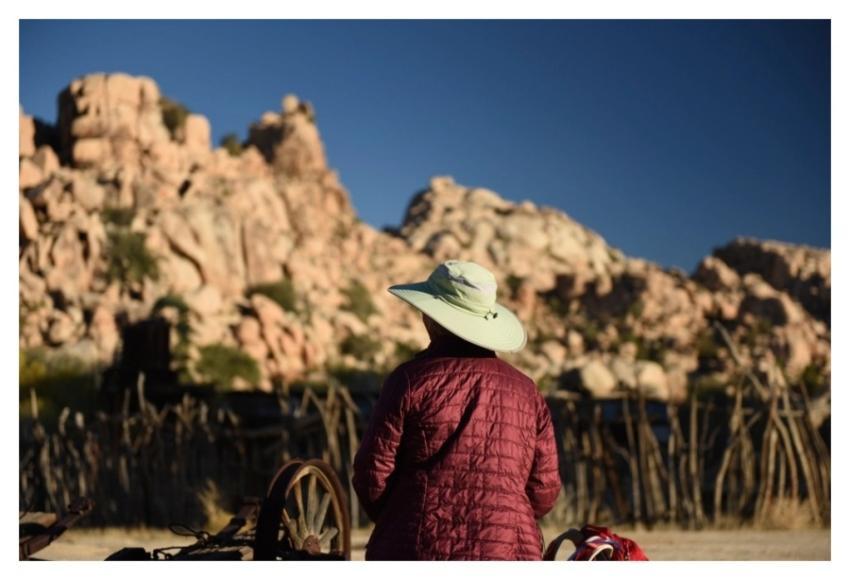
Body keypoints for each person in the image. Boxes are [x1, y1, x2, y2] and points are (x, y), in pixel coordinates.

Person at [352, 260, 561, 560]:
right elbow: (545, 488)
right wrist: (503, 517)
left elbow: (372, 475)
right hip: (509, 551)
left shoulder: (408, 380)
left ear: (433, 319)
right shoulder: (527, 391)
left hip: (415, 548)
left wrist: (401, 517)